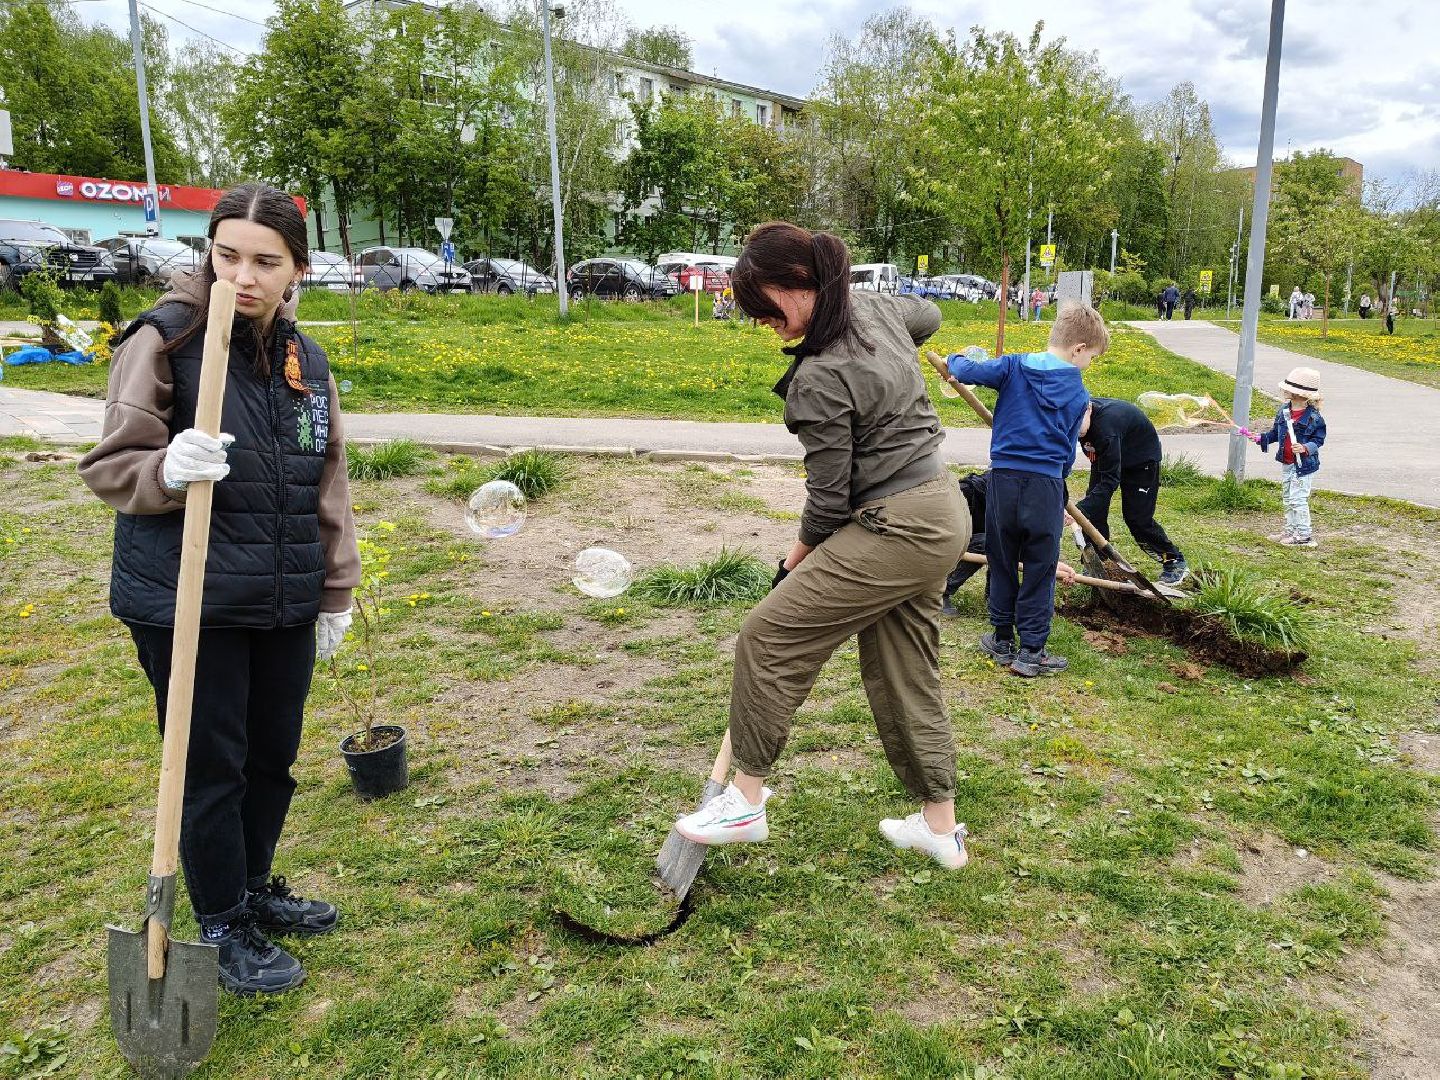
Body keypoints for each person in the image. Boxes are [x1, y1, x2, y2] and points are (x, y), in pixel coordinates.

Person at [78, 183, 360, 995]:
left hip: (282, 592)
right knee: (212, 768)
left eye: (266, 262)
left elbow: (328, 481)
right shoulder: (167, 338)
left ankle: (255, 886)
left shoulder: (307, 361)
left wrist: (335, 589)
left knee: (272, 758)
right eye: (227, 255)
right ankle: (223, 920)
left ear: (298, 269)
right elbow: (111, 465)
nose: (243, 276)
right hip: (189, 598)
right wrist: (164, 470)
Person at [673, 222, 972, 870]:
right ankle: (940, 827)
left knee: (768, 636)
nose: (762, 323)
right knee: (905, 669)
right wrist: (890, 357)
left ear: (798, 284)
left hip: (900, 525)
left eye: (763, 307)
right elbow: (929, 314)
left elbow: (829, 505)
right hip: (944, 511)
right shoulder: (878, 311)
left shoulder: (818, 379)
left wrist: (792, 563)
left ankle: (744, 800)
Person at [945, 302, 1100, 677]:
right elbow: (1068, 451)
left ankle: (1001, 640)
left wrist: (956, 358)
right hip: (1046, 485)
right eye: (1091, 357)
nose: (1089, 364)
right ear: (1078, 348)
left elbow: (964, 370)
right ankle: (1031, 650)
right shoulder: (1078, 394)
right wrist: (1058, 488)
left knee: (1001, 558)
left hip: (1003, 481)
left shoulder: (1012, 367)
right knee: (1040, 568)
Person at [1075, 397, 1188, 585]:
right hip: (1106, 456)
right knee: (1094, 511)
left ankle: (1173, 560)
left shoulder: (1106, 428)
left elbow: (1110, 481)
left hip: (1140, 461)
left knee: (1137, 519)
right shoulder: (1071, 416)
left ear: (1088, 408)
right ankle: (1098, 561)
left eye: (1075, 421)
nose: (1071, 426)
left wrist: (1078, 510)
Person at [940, 469, 1078, 617]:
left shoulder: (1028, 497)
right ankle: (941, 592)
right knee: (988, 542)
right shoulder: (974, 492)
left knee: (999, 540)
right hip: (943, 542)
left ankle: (995, 597)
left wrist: (1053, 564)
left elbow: (1021, 546)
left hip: (979, 531)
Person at [1246, 365, 1327, 547]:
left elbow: (1319, 440)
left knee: (1298, 499)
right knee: (1288, 498)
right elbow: (1275, 433)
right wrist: (1261, 438)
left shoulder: (1314, 417)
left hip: (1303, 466)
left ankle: (1304, 535)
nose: (1285, 391)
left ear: (1299, 394)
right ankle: (1290, 530)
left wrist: (1305, 448)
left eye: (1289, 389)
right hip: (1288, 462)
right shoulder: (1284, 411)